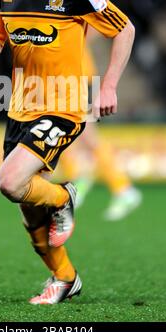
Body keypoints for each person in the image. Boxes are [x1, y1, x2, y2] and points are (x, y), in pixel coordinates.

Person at [0, 0, 135, 304]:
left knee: (9, 182)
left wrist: (110, 84)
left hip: (63, 106)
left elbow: (125, 28)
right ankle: (65, 279)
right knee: (31, 216)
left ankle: (66, 196)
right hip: (18, 108)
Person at [57, 43, 142, 220]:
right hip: (67, 76)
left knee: (86, 137)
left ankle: (122, 188)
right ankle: (81, 180)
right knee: (61, 132)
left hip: (76, 77)